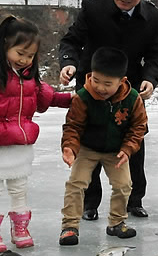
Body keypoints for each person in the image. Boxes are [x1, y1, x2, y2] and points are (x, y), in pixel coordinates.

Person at [58, 0, 158, 220]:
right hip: (92, 88)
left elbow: (154, 55)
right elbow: (71, 40)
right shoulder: (94, 9)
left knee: (133, 144)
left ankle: (134, 200)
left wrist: (150, 78)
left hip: (128, 93)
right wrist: (68, 63)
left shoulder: (151, 16)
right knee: (89, 144)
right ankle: (90, 203)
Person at [0, 15, 72, 254]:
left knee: (19, 187)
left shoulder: (26, 73)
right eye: (20, 53)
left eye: (30, 56)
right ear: (5, 45)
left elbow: (40, 96)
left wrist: (70, 99)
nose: (25, 60)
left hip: (19, 143)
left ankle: (20, 229)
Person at [59, 47, 147, 245]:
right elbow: (73, 126)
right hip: (87, 149)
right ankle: (69, 226)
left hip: (116, 150)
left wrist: (128, 149)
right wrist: (70, 147)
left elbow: (138, 127)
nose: (100, 87)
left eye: (108, 84)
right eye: (96, 80)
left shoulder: (132, 99)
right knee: (76, 183)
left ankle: (116, 222)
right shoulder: (83, 97)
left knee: (124, 185)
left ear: (121, 81)